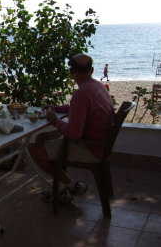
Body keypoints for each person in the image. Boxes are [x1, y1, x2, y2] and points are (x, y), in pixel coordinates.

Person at [31, 54, 115, 203]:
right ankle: (62, 186)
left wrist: (54, 120)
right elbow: (82, 110)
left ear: (71, 73)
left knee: (36, 151)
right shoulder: (98, 86)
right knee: (41, 138)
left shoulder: (81, 94)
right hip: (100, 144)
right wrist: (58, 108)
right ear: (92, 70)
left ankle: (72, 185)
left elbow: (74, 133)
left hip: (89, 147)